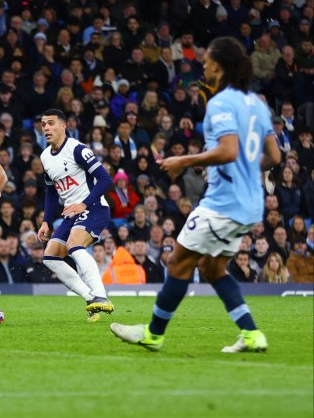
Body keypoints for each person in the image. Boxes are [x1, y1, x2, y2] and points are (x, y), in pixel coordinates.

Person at [112, 37, 281, 353]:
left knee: (177, 262)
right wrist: (246, 167)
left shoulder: (219, 102)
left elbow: (228, 150)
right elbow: (274, 157)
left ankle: (153, 334)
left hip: (223, 204)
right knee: (213, 268)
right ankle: (251, 334)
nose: (202, 65)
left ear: (218, 65)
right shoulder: (258, 103)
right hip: (251, 205)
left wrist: (184, 160)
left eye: (206, 61)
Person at [37, 109, 116, 322]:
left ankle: (101, 295)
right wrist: (46, 221)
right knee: (50, 257)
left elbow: (106, 180)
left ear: (63, 126)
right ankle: (91, 298)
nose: (46, 128)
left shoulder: (77, 149)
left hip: (94, 207)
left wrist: (84, 203)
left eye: (51, 123)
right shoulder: (45, 157)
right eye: (43, 124)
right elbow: (52, 192)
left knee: (74, 244)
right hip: (72, 213)